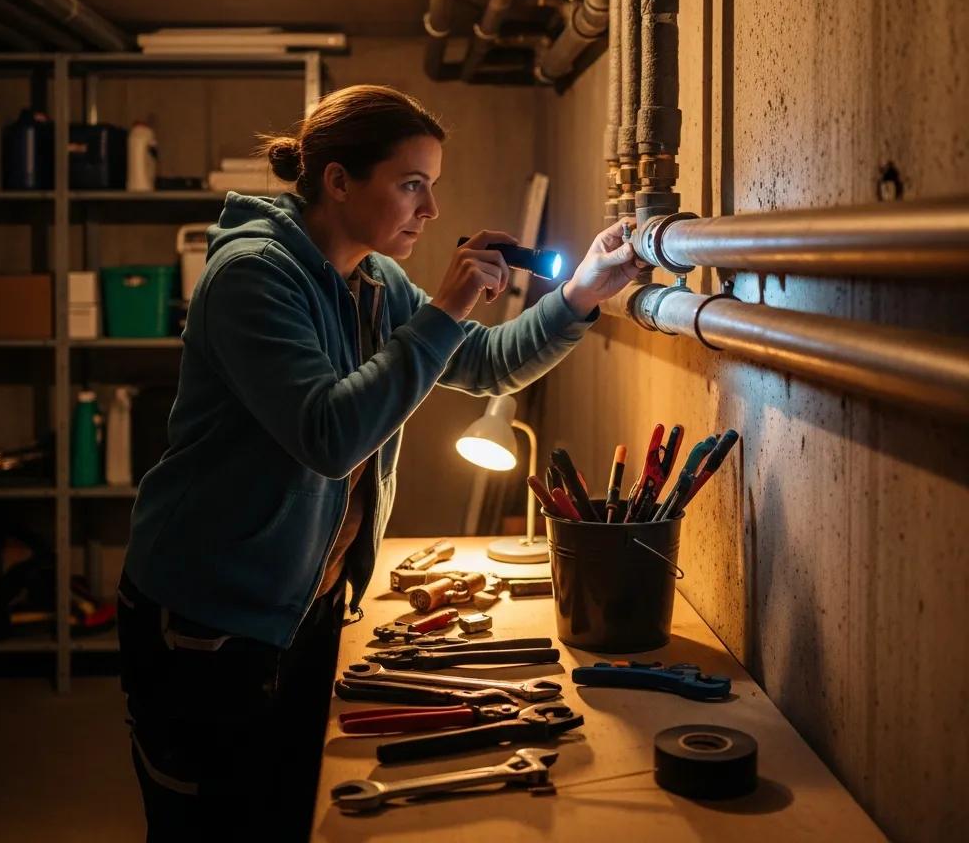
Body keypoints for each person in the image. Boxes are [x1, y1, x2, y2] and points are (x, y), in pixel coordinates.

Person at [117, 84, 649, 839]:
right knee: (213, 825)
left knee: (292, 813)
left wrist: (579, 294)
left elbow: (486, 365)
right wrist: (443, 311)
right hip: (207, 621)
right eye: (411, 185)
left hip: (307, 606)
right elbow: (330, 437)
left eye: (433, 186)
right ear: (338, 181)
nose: (430, 210)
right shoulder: (252, 277)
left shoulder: (374, 280)